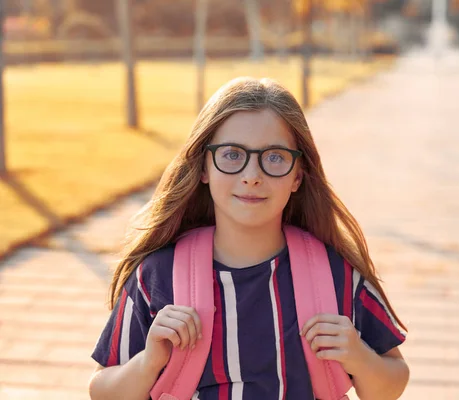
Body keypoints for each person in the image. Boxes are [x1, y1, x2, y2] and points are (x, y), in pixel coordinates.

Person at [88, 77, 409, 400]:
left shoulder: (335, 274)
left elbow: (391, 381)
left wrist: (358, 356)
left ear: (297, 175)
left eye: (274, 157)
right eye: (231, 155)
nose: (252, 176)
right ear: (204, 167)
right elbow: (103, 391)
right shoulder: (157, 276)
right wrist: (149, 363)